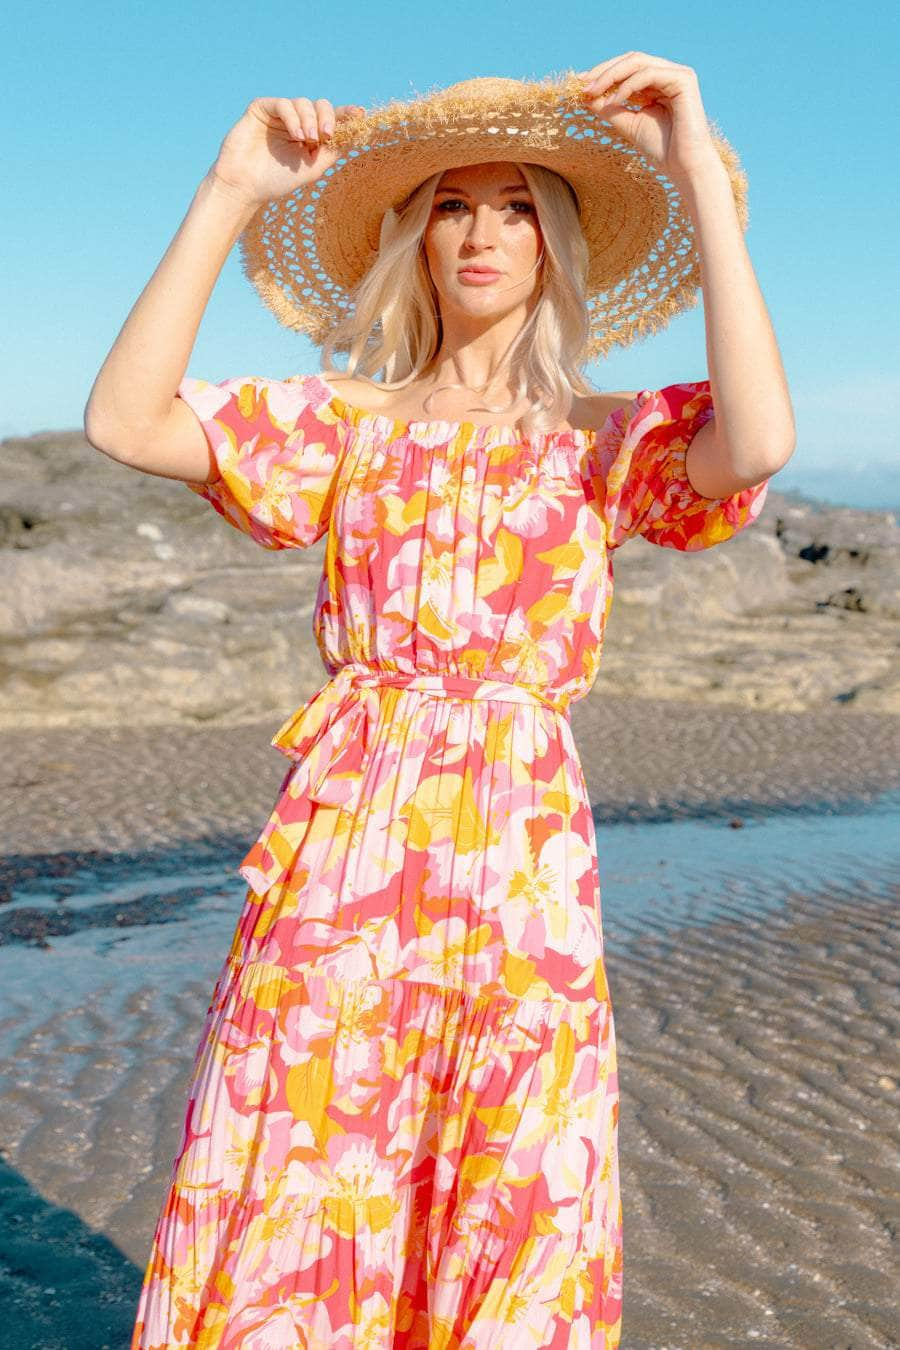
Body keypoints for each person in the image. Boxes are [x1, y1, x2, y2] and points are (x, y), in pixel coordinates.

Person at [85, 56, 794, 1350]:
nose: (480, 232)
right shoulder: (348, 422)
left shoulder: (605, 437)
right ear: (415, 237)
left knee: (518, 1204)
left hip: (522, 880)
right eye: (453, 205)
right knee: (304, 1197)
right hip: (340, 878)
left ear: (554, 240)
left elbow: (756, 444)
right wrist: (231, 187)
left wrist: (700, 170)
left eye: (516, 205)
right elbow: (125, 418)